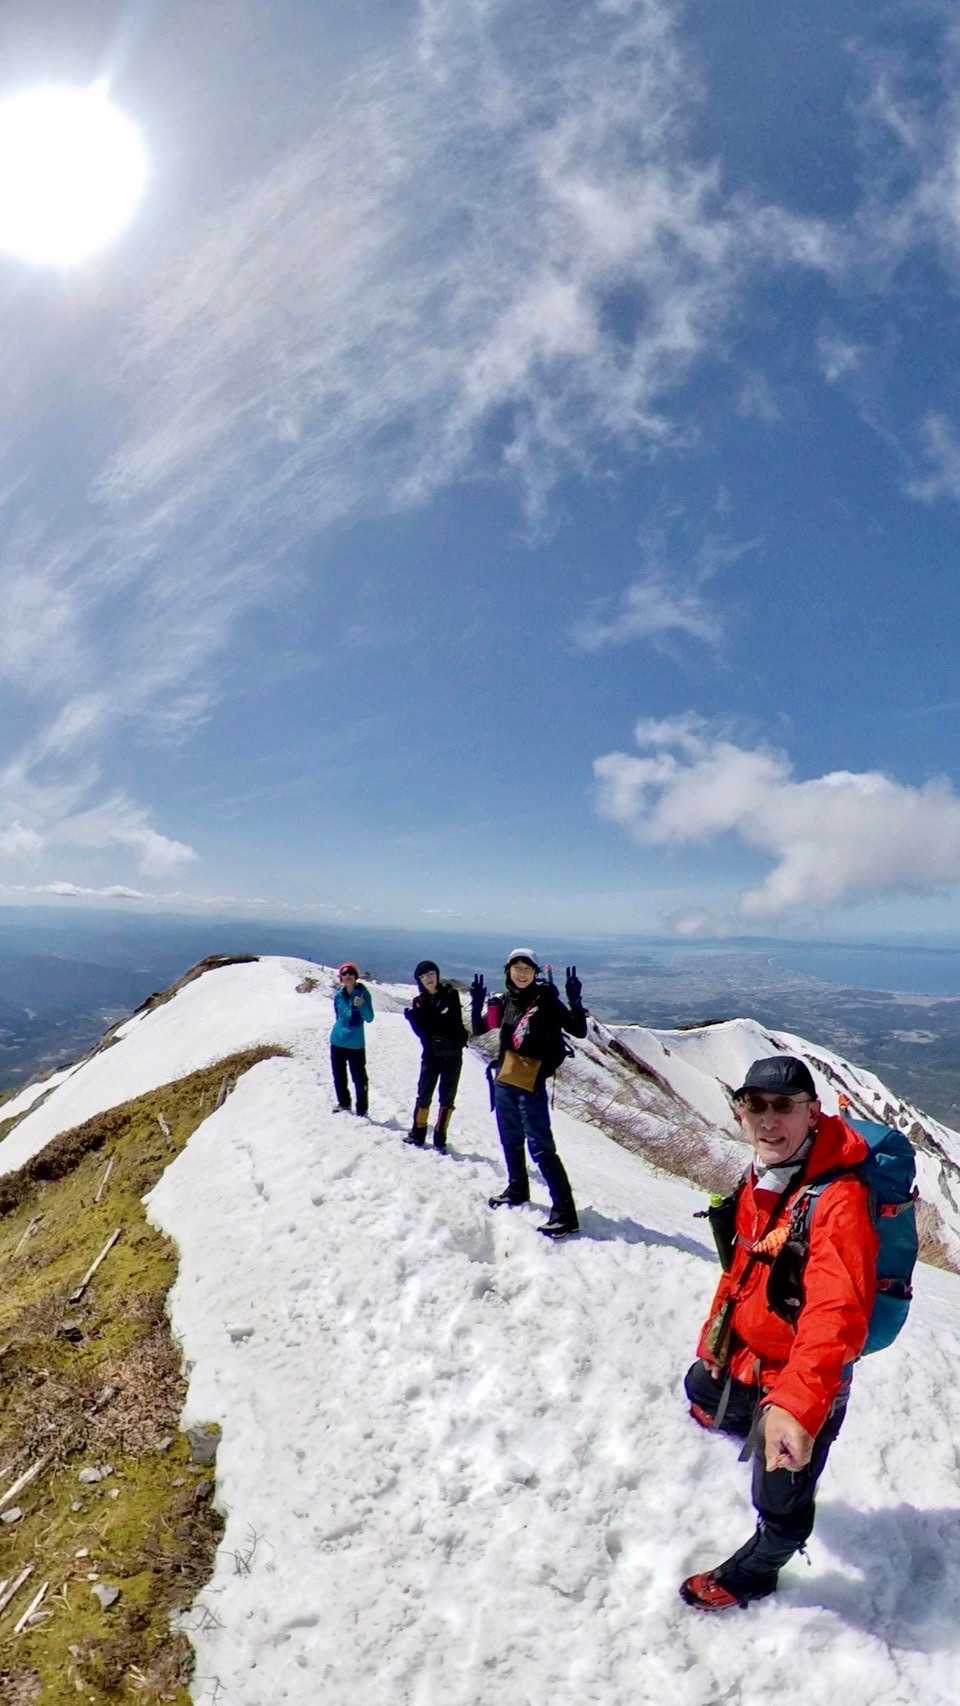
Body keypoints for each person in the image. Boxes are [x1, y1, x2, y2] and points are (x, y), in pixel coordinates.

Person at [680, 1054, 878, 1611]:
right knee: (699, 1384)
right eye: (755, 1105)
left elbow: (835, 1315)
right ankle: (743, 1415)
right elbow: (741, 1266)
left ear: (812, 1113)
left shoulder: (838, 1202)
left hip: (803, 1381)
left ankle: (756, 1575)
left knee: (781, 1501)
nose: (767, 1120)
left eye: (783, 1106)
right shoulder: (765, 1176)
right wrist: (717, 1335)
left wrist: (794, 1406)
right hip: (751, 1356)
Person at [470, 948, 587, 1239]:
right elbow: (480, 1028)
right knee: (510, 1138)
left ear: (535, 973)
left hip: (531, 1083)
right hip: (505, 1078)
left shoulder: (546, 1000)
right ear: (508, 971)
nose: (521, 974)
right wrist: (477, 1004)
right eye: (516, 968)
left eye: (527, 969)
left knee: (541, 1147)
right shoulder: (505, 1000)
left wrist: (575, 1001)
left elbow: (579, 1030)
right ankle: (517, 1189)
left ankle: (566, 1213)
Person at [403, 959, 468, 1150]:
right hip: (431, 1055)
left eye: (431, 973)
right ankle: (418, 1133)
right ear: (419, 980)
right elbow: (424, 1033)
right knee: (424, 1093)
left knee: (447, 1097)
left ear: (437, 975)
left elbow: (452, 1022)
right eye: (423, 976)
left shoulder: (450, 994)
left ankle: (440, 1138)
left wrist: (427, 1018)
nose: (428, 978)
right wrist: (414, 1020)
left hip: (453, 1054)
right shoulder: (419, 1002)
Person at [329, 962, 374, 1117]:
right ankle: (344, 1103)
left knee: (359, 1078)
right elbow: (338, 1015)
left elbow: (369, 1018)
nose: (348, 976)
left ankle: (362, 1109)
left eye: (351, 973)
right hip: (337, 1041)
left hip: (355, 1044)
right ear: (341, 978)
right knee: (339, 1075)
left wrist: (362, 1005)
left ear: (356, 977)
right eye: (344, 974)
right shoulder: (338, 995)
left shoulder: (363, 994)